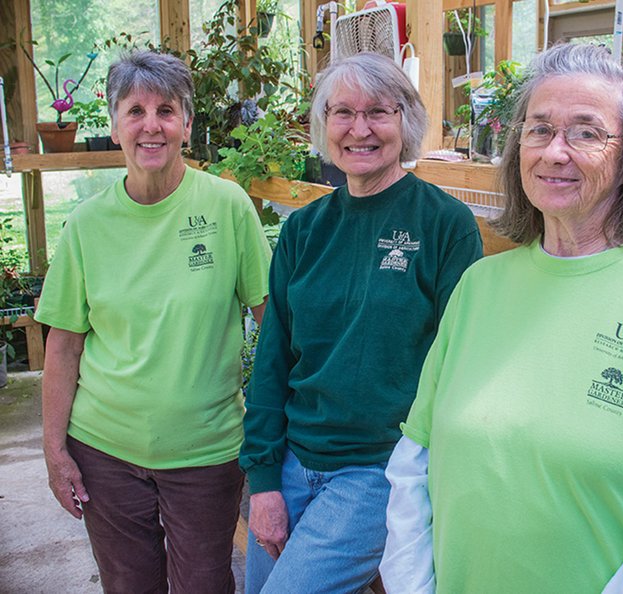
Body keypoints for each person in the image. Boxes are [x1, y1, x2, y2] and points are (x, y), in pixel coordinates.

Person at [380, 43, 623, 594]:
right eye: (538, 130)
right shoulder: (480, 287)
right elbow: (415, 463)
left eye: (585, 132)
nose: (555, 152)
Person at [239, 52, 483, 594]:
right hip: (294, 461)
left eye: (379, 112)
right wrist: (263, 481)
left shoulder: (444, 225)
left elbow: (461, 365)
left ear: (407, 122)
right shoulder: (304, 230)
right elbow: (273, 358)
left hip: (377, 469)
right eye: (342, 112)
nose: (360, 129)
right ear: (324, 126)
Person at [36, 50, 271, 593]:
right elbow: (64, 346)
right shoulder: (87, 225)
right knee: (129, 586)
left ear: (187, 124)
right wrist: (55, 451)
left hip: (206, 453)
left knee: (204, 584)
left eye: (166, 110)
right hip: (105, 453)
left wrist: (273, 435)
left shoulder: (227, 208)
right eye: (135, 109)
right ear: (115, 124)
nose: (151, 125)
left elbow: (274, 324)